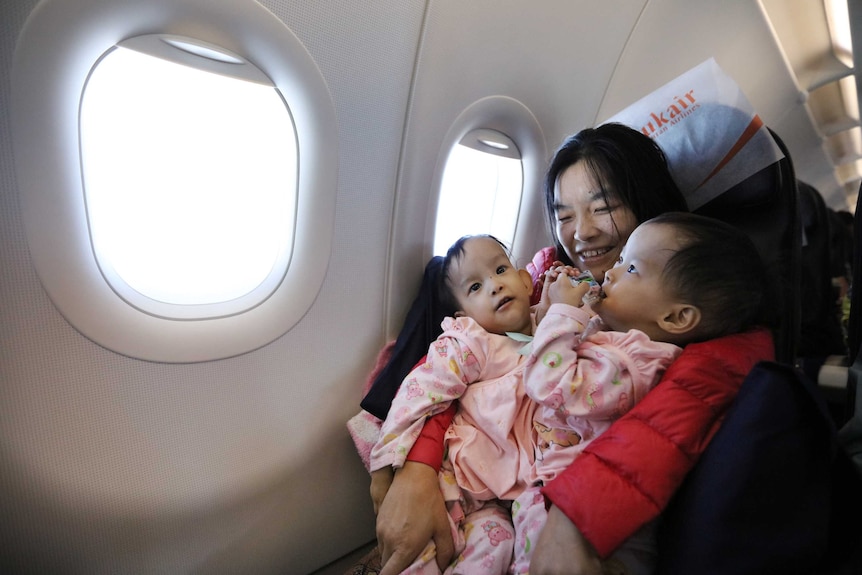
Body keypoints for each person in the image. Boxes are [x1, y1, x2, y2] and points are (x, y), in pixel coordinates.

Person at [366, 123, 775, 575]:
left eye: (603, 208)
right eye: (563, 216)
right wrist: (418, 467)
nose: (581, 233)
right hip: (484, 468)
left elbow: (653, 432)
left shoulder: (686, 329)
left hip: (537, 488)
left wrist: (573, 518)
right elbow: (458, 361)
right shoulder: (547, 276)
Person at [511, 212, 776, 575]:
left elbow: (551, 384)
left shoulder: (635, 363)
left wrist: (563, 313)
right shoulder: (620, 335)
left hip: (584, 519)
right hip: (553, 485)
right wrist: (552, 310)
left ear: (676, 319)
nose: (611, 274)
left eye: (631, 269)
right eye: (619, 261)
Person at [369, 234, 539, 574]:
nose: (494, 285)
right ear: (464, 314)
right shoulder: (472, 343)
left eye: (501, 269)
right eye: (474, 287)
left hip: (515, 493)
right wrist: (384, 460)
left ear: (525, 280)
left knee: (520, 543)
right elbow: (418, 392)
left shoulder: (549, 329)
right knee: (441, 553)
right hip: (461, 488)